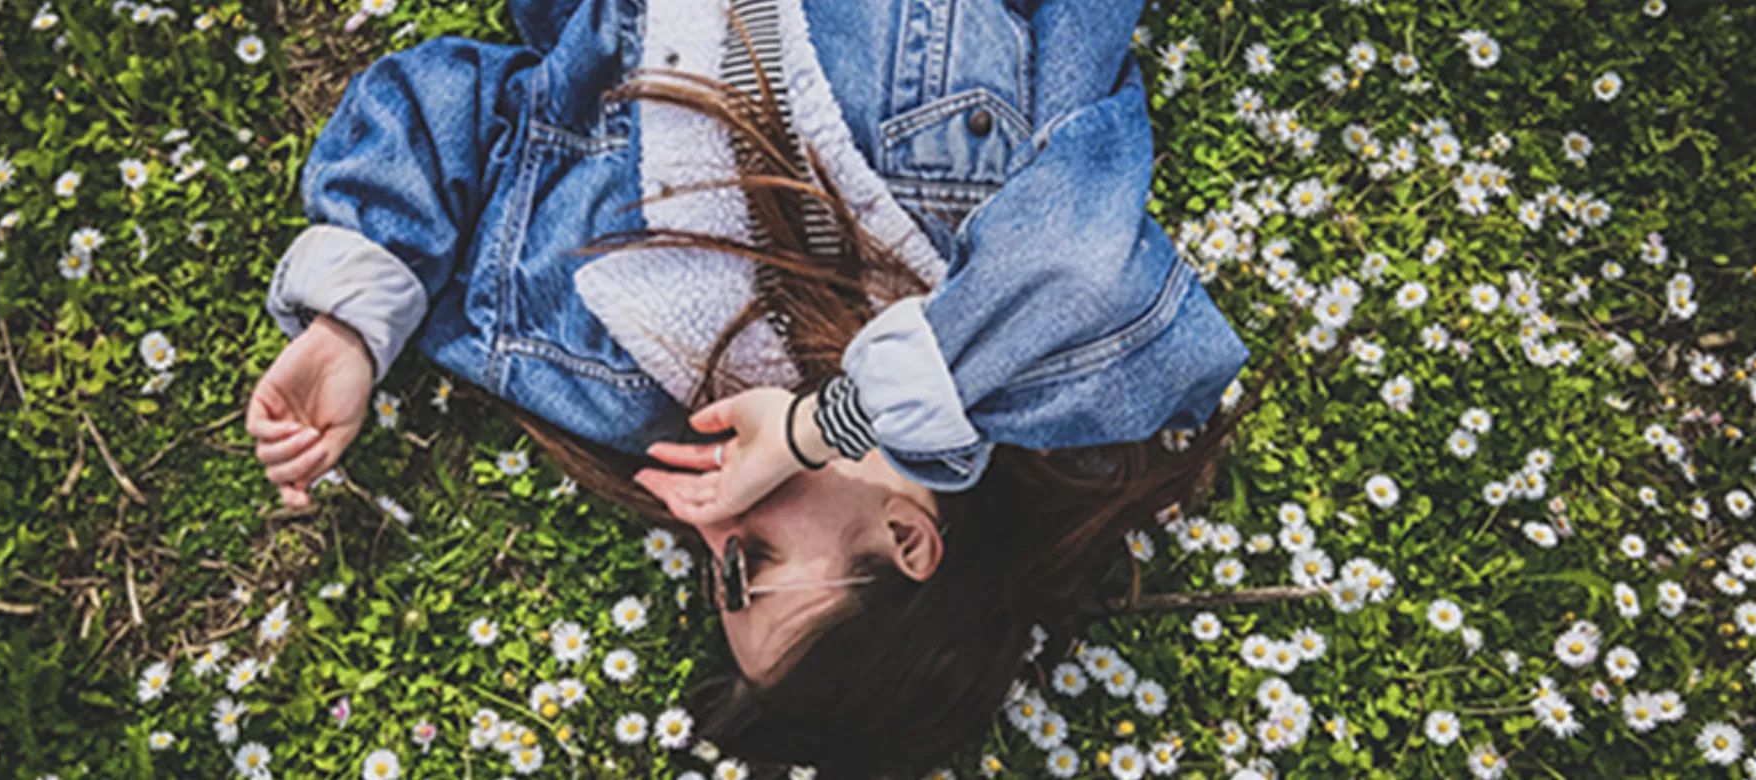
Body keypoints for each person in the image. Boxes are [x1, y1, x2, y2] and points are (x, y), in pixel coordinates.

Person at [247, 0, 1253, 774]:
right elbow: (1088, 272)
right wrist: (825, 426)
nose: (707, 529)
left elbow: (453, 107)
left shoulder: (612, 361)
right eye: (751, 565)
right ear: (908, 539)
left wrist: (352, 323)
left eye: (709, 576)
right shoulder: (1034, 341)